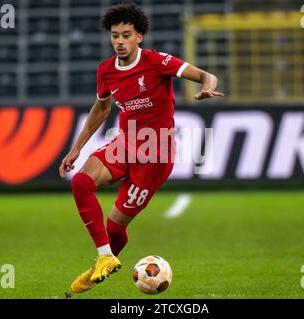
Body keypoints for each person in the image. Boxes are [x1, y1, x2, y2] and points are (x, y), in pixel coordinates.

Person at [58, 2, 223, 294]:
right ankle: (104, 257)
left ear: (139, 36)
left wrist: (207, 87)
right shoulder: (106, 70)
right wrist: (76, 150)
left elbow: (204, 75)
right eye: (115, 36)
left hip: (155, 155)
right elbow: (100, 109)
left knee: (116, 229)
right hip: (124, 143)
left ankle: (108, 258)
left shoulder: (158, 62)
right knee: (81, 181)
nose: (119, 41)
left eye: (126, 35)